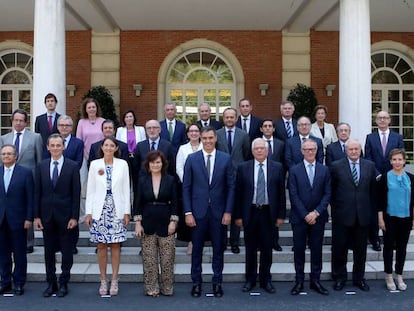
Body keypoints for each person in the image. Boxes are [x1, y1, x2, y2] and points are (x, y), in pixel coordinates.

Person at [183, 126, 235, 298]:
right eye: (204, 138)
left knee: (218, 250)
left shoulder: (225, 159)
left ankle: (217, 282)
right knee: (196, 250)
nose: (207, 141)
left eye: (210, 138)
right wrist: (188, 212)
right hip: (198, 213)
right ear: (200, 139)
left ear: (216, 139)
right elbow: (186, 188)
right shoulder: (191, 159)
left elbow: (231, 187)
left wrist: (228, 211)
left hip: (219, 213)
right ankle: (196, 283)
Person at [234, 138, 286, 294]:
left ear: (267, 150)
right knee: (250, 249)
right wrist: (238, 215)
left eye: (262, 148)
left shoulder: (277, 167)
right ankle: (250, 279)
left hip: (268, 213)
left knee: (267, 249)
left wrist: (281, 215)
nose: (259, 151)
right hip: (250, 212)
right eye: (256, 148)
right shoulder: (243, 167)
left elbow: (281, 194)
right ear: (252, 151)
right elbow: (238, 194)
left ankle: (265, 280)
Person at [34, 134, 81, 298]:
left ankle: (64, 282)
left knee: (67, 252)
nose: (55, 148)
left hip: (66, 217)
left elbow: (76, 194)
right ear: (47, 147)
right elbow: (37, 193)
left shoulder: (72, 166)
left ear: (63, 147)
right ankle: (51, 282)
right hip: (47, 216)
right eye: (52, 145)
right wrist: (37, 216)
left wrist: (74, 217)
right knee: (48, 252)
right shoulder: (41, 166)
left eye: (58, 145)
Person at [85, 137, 130, 296]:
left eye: (112, 145)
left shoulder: (123, 164)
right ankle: (103, 280)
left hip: (116, 209)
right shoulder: (94, 164)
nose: (109, 148)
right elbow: (90, 189)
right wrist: (88, 212)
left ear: (116, 148)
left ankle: (115, 279)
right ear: (102, 147)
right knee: (101, 246)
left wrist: (127, 211)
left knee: (116, 245)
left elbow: (126, 188)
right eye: (106, 145)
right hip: (99, 210)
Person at [330, 139, 377, 292]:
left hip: (362, 215)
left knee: (360, 250)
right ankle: (339, 277)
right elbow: (332, 191)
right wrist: (336, 210)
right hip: (342, 215)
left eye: (356, 149)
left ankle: (359, 278)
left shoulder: (369, 166)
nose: (354, 152)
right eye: (351, 149)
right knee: (339, 249)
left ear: (360, 150)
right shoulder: (336, 166)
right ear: (346, 151)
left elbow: (372, 191)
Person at [288, 139, 331, 296]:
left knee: (316, 250)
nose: (310, 152)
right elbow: (293, 194)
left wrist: (316, 212)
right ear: (301, 151)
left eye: (313, 149)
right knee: (299, 251)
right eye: (307, 149)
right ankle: (299, 281)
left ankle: (315, 281)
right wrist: (305, 214)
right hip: (299, 218)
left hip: (318, 218)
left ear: (317, 150)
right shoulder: (294, 170)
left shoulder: (324, 170)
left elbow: (327, 194)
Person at [134, 150, 178, 297]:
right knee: (149, 260)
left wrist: (173, 221)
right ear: (148, 164)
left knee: (167, 259)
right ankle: (152, 288)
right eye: (152, 162)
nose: (155, 165)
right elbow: (138, 203)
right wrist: (138, 223)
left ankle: (167, 288)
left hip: (166, 222)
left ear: (163, 164)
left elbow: (176, 203)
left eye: (158, 162)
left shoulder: (171, 180)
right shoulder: (141, 180)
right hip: (147, 222)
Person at [0, 109, 42, 254]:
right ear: (12, 121)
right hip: (9, 181)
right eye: (15, 120)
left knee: (27, 209)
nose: (18, 123)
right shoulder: (4, 138)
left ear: (26, 122)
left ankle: (29, 242)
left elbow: (39, 161)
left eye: (21, 120)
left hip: (29, 180)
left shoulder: (35, 138)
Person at [365, 110, 404, 252]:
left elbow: (400, 157)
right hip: (375, 179)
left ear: (389, 120)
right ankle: (374, 239)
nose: (382, 120)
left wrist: (390, 174)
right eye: (379, 118)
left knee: (391, 208)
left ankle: (391, 238)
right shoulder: (370, 137)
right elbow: (368, 158)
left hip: (392, 178)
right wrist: (377, 174)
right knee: (375, 209)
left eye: (385, 118)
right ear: (376, 121)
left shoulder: (397, 137)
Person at [377, 148, 414, 291]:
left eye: (400, 159)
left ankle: (399, 275)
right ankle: (388, 275)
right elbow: (379, 200)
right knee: (388, 247)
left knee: (402, 248)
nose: (397, 162)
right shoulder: (384, 178)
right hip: (389, 217)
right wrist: (380, 219)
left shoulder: (411, 178)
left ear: (404, 161)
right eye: (394, 159)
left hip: (406, 217)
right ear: (390, 161)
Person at [0, 144, 34, 295]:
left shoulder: (25, 173)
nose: (6, 156)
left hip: (19, 220)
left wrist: (29, 217)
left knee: (19, 254)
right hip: (1, 220)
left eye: (9, 154)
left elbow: (30, 197)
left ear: (16, 156)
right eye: (3, 154)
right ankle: (5, 281)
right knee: (2, 254)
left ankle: (19, 282)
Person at [216, 107, 250, 254]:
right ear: (223, 119)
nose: (229, 119)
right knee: (222, 210)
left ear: (236, 119)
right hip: (220, 177)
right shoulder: (217, 134)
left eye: (232, 117)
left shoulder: (243, 135)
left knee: (236, 210)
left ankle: (234, 243)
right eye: (227, 117)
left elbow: (247, 154)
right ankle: (222, 242)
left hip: (238, 178)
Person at [176, 123, 203, 254]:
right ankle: (191, 241)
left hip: (204, 188)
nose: (194, 133)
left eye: (196, 131)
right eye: (191, 131)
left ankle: (201, 241)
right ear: (187, 134)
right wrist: (187, 182)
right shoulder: (182, 148)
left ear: (200, 133)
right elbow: (179, 167)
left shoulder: (206, 146)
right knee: (190, 214)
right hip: (188, 187)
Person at [260, 118, 285, 251]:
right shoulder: (256, 143)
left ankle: (274, 242)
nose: (268, 128)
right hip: (259, 181)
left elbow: (283, 161)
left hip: (274, 183)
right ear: (261, 129)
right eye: (265, 126)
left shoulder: (280, 144)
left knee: (273, 215)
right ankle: (259, 243)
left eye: (270, 126)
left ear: (274, 129)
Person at [133, 120, 176, 184]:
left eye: (154, 128)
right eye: (149, 128)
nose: (151, 130)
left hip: (164, 183)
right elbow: (136, 167)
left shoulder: (168, 145)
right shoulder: (140, 146)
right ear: (146, 131)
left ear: (159, 130)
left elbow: (171, 167)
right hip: (144, 184)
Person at [34, 93, 61, 159]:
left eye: (52, 101)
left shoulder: (61, 118)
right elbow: (37, 135)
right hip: (43, 150)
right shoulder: (39, 119)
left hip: (57, 149)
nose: (50, 103)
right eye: (48, 101)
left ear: (56, 103)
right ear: (45, 104)